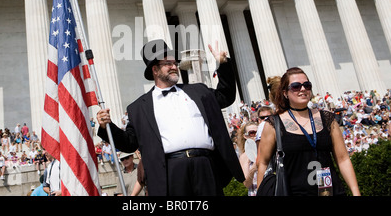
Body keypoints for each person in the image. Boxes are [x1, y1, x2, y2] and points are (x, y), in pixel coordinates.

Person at [97, 39, 244, 196]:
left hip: (205, 166)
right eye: (168, 63)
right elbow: (129, 143)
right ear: (155, 69)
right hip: (171, 172)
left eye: (175, 63)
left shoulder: (198, 91)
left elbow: (225, 96)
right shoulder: (138, 108)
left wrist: (223, 64)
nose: (174, 67)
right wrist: (108, 126)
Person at [257, 67, 361, 196]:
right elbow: (263, 163)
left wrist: (356, 192)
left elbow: (343, 159)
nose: (302, 89)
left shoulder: (327, 118)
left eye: (307, 85)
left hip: (329, 191)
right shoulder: (273, 124)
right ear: (285, 93)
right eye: (296, 86)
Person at [237, 121, 258, 196]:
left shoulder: (268, 150)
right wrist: (253, 168)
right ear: (245, 136)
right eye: (252, 133)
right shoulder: (244, 157)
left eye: (258, 132)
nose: (255, 135)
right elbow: (246, 184)